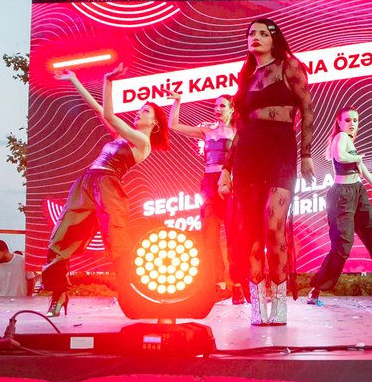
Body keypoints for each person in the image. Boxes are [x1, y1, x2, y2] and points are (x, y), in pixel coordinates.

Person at [40, 66, 169, 317]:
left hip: (109, 186)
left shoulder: (143, 143)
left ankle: (133, 296)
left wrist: (108, 81)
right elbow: (100, 110)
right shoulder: (121, 136)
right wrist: (74, 80)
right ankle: (58, 294)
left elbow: (109, 115)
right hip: (87, 183)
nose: (139, 112)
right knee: (60, 239)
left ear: (154, 123)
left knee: (118, 242)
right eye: (140, 109)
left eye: (146, 111)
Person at [219, 17, 315, 327]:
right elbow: (240, 128)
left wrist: (306, 154)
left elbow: (307, 109)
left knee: (274, 226)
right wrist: (226, 170)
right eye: (251, 33)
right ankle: (257, 303)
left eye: (263, 33)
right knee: (250, 230)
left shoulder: (290, 67)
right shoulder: (246, 77)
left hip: (280, 150)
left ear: (274, 39)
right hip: (248, 154)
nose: (255, 37)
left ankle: (279, 301)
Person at [306, 107, 372, 305]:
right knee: (342, 246)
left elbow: (365, 172)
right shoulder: (340, 137)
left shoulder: (350, 141)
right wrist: (358, 157)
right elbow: (341, 157)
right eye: (348, 120)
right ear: (339, 122)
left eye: (355, 120)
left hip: (357, 191)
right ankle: (316, 289)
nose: (352, 124)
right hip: (342, 196)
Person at [169, 93, 247, 304]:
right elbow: (173, 125)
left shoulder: (237, 132)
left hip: (229, 184)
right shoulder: (207, 132)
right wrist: (177, 101)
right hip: (209, 185)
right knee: (209, 236)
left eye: (222, 106)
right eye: (215, 106)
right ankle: (219, 284)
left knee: (233, 237)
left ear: (231, 109)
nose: (218, 109)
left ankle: (237, 286)